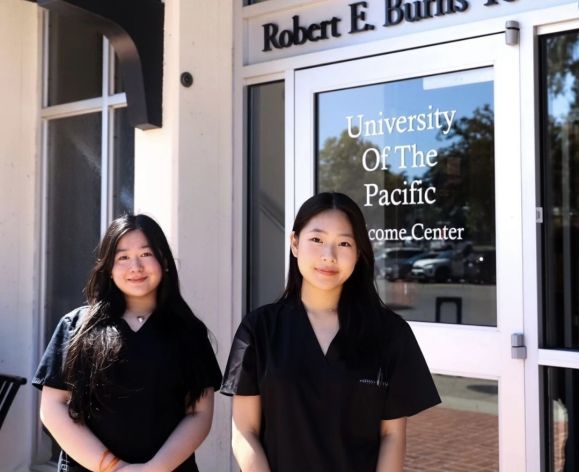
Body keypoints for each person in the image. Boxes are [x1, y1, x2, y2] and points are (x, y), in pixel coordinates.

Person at [221, 192, 441, 472]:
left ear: (358, 253)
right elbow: (244, 432)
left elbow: (392, 436)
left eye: (344, 243)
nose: (329, 256)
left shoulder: (390, 333)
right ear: (295, 244)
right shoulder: (258, 329)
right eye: (317, 239)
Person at [33, 214, 222, 472]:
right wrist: (114, 467)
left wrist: (153, 469)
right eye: (122, 257)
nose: (135, 266)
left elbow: (199, 414)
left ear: (164, 261)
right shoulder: (76, 326)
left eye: (146, 254)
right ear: (108, 268)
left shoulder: (189, 332)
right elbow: (53, 407)